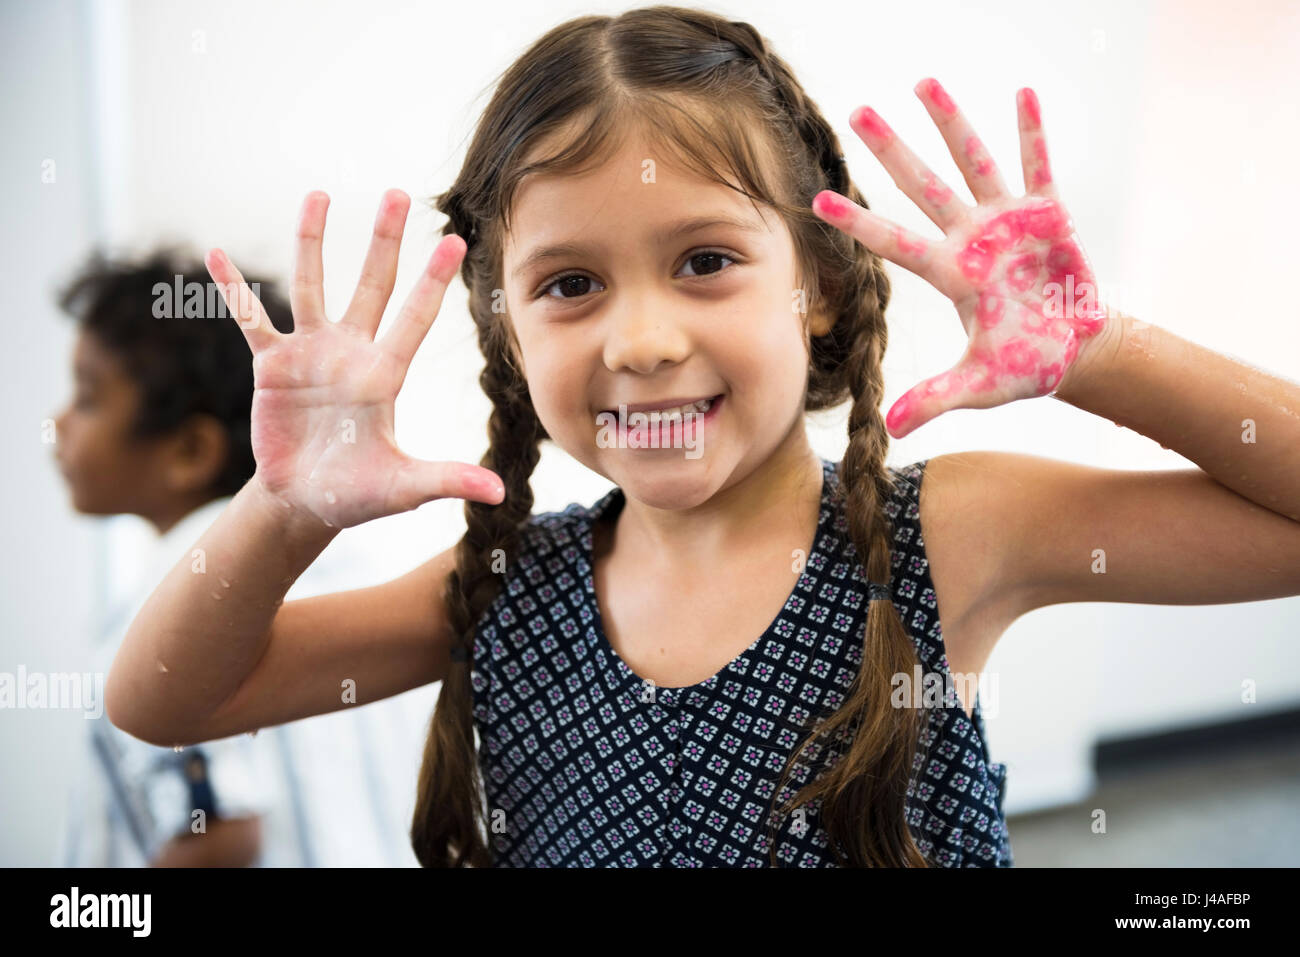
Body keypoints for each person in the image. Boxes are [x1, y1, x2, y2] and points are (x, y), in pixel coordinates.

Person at [104, 8, 1300, 868]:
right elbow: (162, 700)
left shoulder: (947, 535)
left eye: (706, 262)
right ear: (510, 333)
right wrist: (284, 510)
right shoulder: (505, 584)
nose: (639, 338)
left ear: (819, 283)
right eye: (570, 284)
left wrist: (1101, 352)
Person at [51, 249, 427, 866]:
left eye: (88, 398)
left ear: (190, 450)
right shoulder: (370, 576)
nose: (59, 422)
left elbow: (217, 833)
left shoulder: (166, 607)